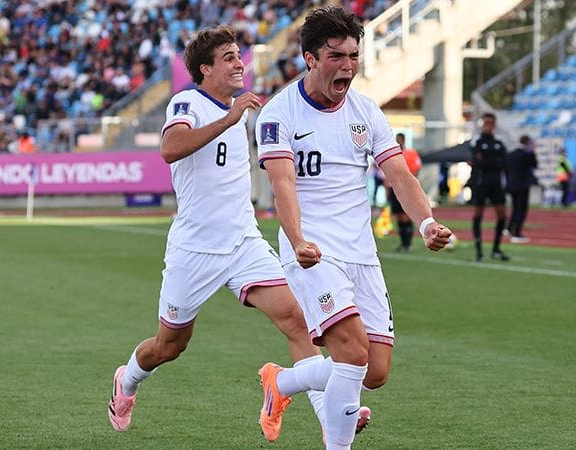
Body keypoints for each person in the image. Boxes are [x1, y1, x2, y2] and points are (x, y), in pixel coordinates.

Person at [106, 25, 324, 434]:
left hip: (243, 243)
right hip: (195, 250)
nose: (239, 62)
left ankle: (328, 417)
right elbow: (170, 149)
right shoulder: (189, 101)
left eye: (238, 55)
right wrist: (230, 117)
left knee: (298, 319)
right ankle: (128, 380)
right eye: (228, 57)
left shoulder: (237, 110)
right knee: (169, 346)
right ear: (205, 69)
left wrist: (236, 115)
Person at [255, 6, 453, 449]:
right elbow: (282, 183)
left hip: (361, 253)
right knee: (351, 354)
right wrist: (297, 237)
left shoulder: (366, 111)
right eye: (336, 56)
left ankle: (281, 384)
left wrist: (426, 223)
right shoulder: (278, 113)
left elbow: (399, 174)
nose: (347, 66)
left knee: (375, 371)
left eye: (353, 56)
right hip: (312, 252)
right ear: (310, 58)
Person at [469, 112, 509, 262]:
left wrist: (488, 161)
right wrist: (493, 162)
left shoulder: (499, 141)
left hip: (496, 183)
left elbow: (504, 162)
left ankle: (496, 249)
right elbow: (478, 162)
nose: (489, 126)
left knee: (502, 215)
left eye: (491, 123)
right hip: (481, 183)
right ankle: (479, 251)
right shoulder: (477, 141)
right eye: (486, 123)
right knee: (478, 214)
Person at [386, 133, 422, 252]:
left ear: (403, 140)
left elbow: (416, 168)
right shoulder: (392, 155)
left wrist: (410, 184)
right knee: (399, 217)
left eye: (399, 140)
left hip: (405, 188)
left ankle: (408, 243)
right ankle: (403, 243)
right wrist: (387, 187)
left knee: (406, 215)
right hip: (394, 187)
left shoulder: (410, 153)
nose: (397, 142)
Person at [505, 135, 537, 243]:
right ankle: (517, 232)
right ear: (527, 142)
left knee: (515, 208)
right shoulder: (527, 155)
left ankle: (509, 228)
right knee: (522, 209)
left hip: (511, 185)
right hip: (522, 185)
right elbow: (534, 164)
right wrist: (532, 151)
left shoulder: (511, 154)